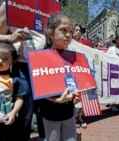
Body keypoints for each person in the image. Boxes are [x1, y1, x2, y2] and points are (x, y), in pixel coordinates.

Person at [0, 3, 46, 141]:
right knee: (24, 113)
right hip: (23, 66)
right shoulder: (10, 3)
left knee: (45, 111)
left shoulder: (48, 4)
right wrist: (10, 38)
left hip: (46, 66)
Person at [40, 13, 80, 141]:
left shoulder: (73, 58)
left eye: (70, 31)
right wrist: (55, 100)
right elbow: (38, 87)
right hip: (50, 113)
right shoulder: (41, 57)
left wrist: (76, 93)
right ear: (50, 33)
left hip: (69, 112)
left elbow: (74, 81)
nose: (68, 35)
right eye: (63, 30)